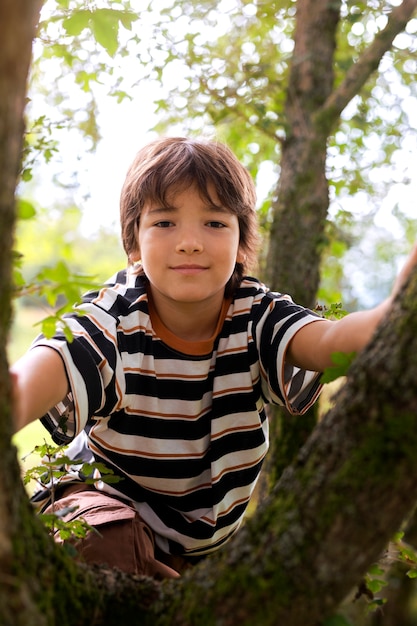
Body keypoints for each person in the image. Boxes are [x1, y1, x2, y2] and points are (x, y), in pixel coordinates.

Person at [11, 136, 417, 579]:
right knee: (108, 541)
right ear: (134, 243)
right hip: (98, 508)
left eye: (214, 223)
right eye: (165, 223)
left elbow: (329, 341)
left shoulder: (255, 313)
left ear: (242, 240)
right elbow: (40, 373)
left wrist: (395, 309)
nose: (190, 242)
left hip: (205, 545)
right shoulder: (115, 320)